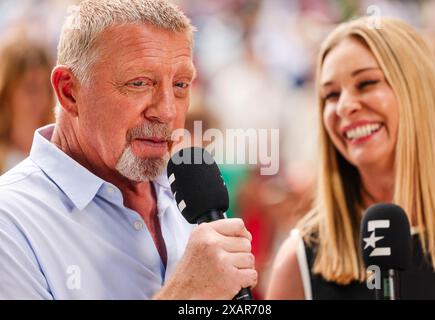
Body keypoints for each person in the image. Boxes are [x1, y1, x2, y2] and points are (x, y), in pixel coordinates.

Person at [0, 0, 256, 300]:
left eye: (181, 84)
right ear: (69, 91)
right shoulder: (12, 221)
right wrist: (184, 294)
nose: (167, 111)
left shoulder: (191, 197)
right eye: (139, 83)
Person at [266, 17, 435, 299]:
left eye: (366, 83)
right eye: (330, 95)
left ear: (418, 91)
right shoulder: (299, 259)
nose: (345, 106)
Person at [0, 39, 54, 173]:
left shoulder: (59, 153)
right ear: (7, 92)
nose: (41, 97)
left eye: (47, 88)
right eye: (31, 88)